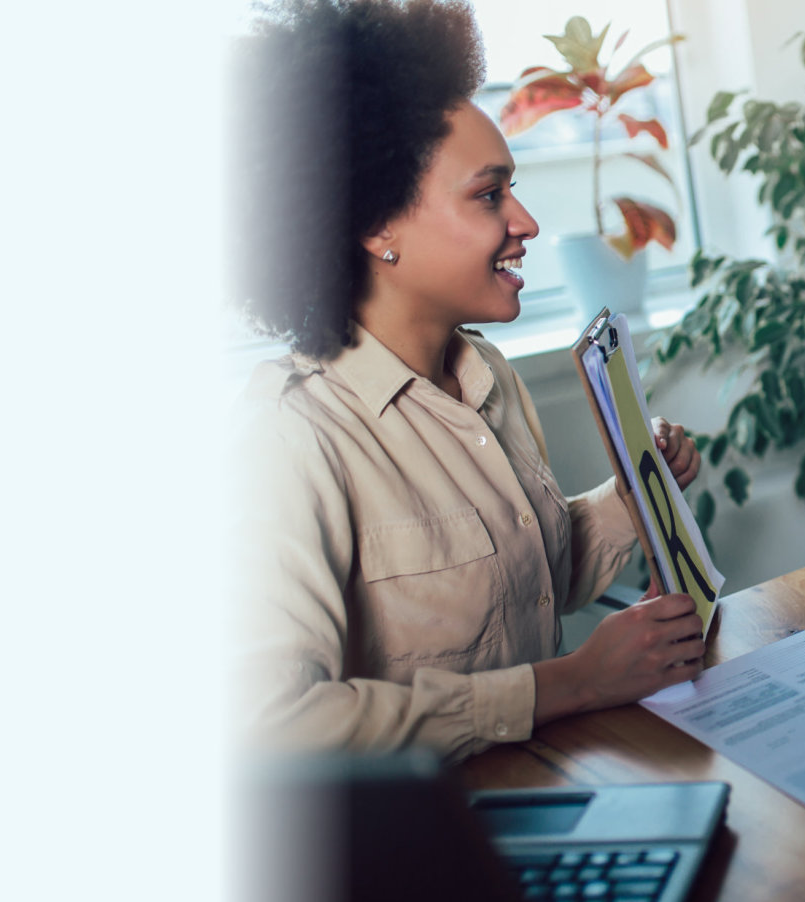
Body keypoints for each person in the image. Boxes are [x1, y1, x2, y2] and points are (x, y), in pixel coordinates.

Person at [228, 0, 708, 761]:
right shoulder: (294, 441)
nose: (526, 222)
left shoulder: (488, 376)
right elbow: (271, 726)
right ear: (377, 226)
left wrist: (632, 497)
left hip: (548, 788)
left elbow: (524, 583)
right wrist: (571, 683)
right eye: (490, 195)